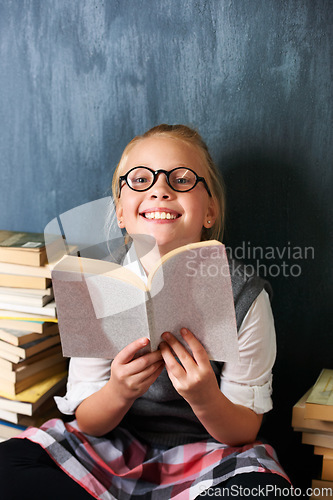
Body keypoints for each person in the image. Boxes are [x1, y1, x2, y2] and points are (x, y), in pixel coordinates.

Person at [0, 124, 292, 499]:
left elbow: (243, 431)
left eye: (182, 179)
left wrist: (204, 396)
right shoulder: (96, 285)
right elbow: (87, 420)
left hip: (212, 452)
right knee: (8, 465)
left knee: (263, 491)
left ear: (210, 210)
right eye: (139, 180)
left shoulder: (245, 296)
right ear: (121, 211)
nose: (159, 189)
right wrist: (119, 391)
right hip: (112, 447)